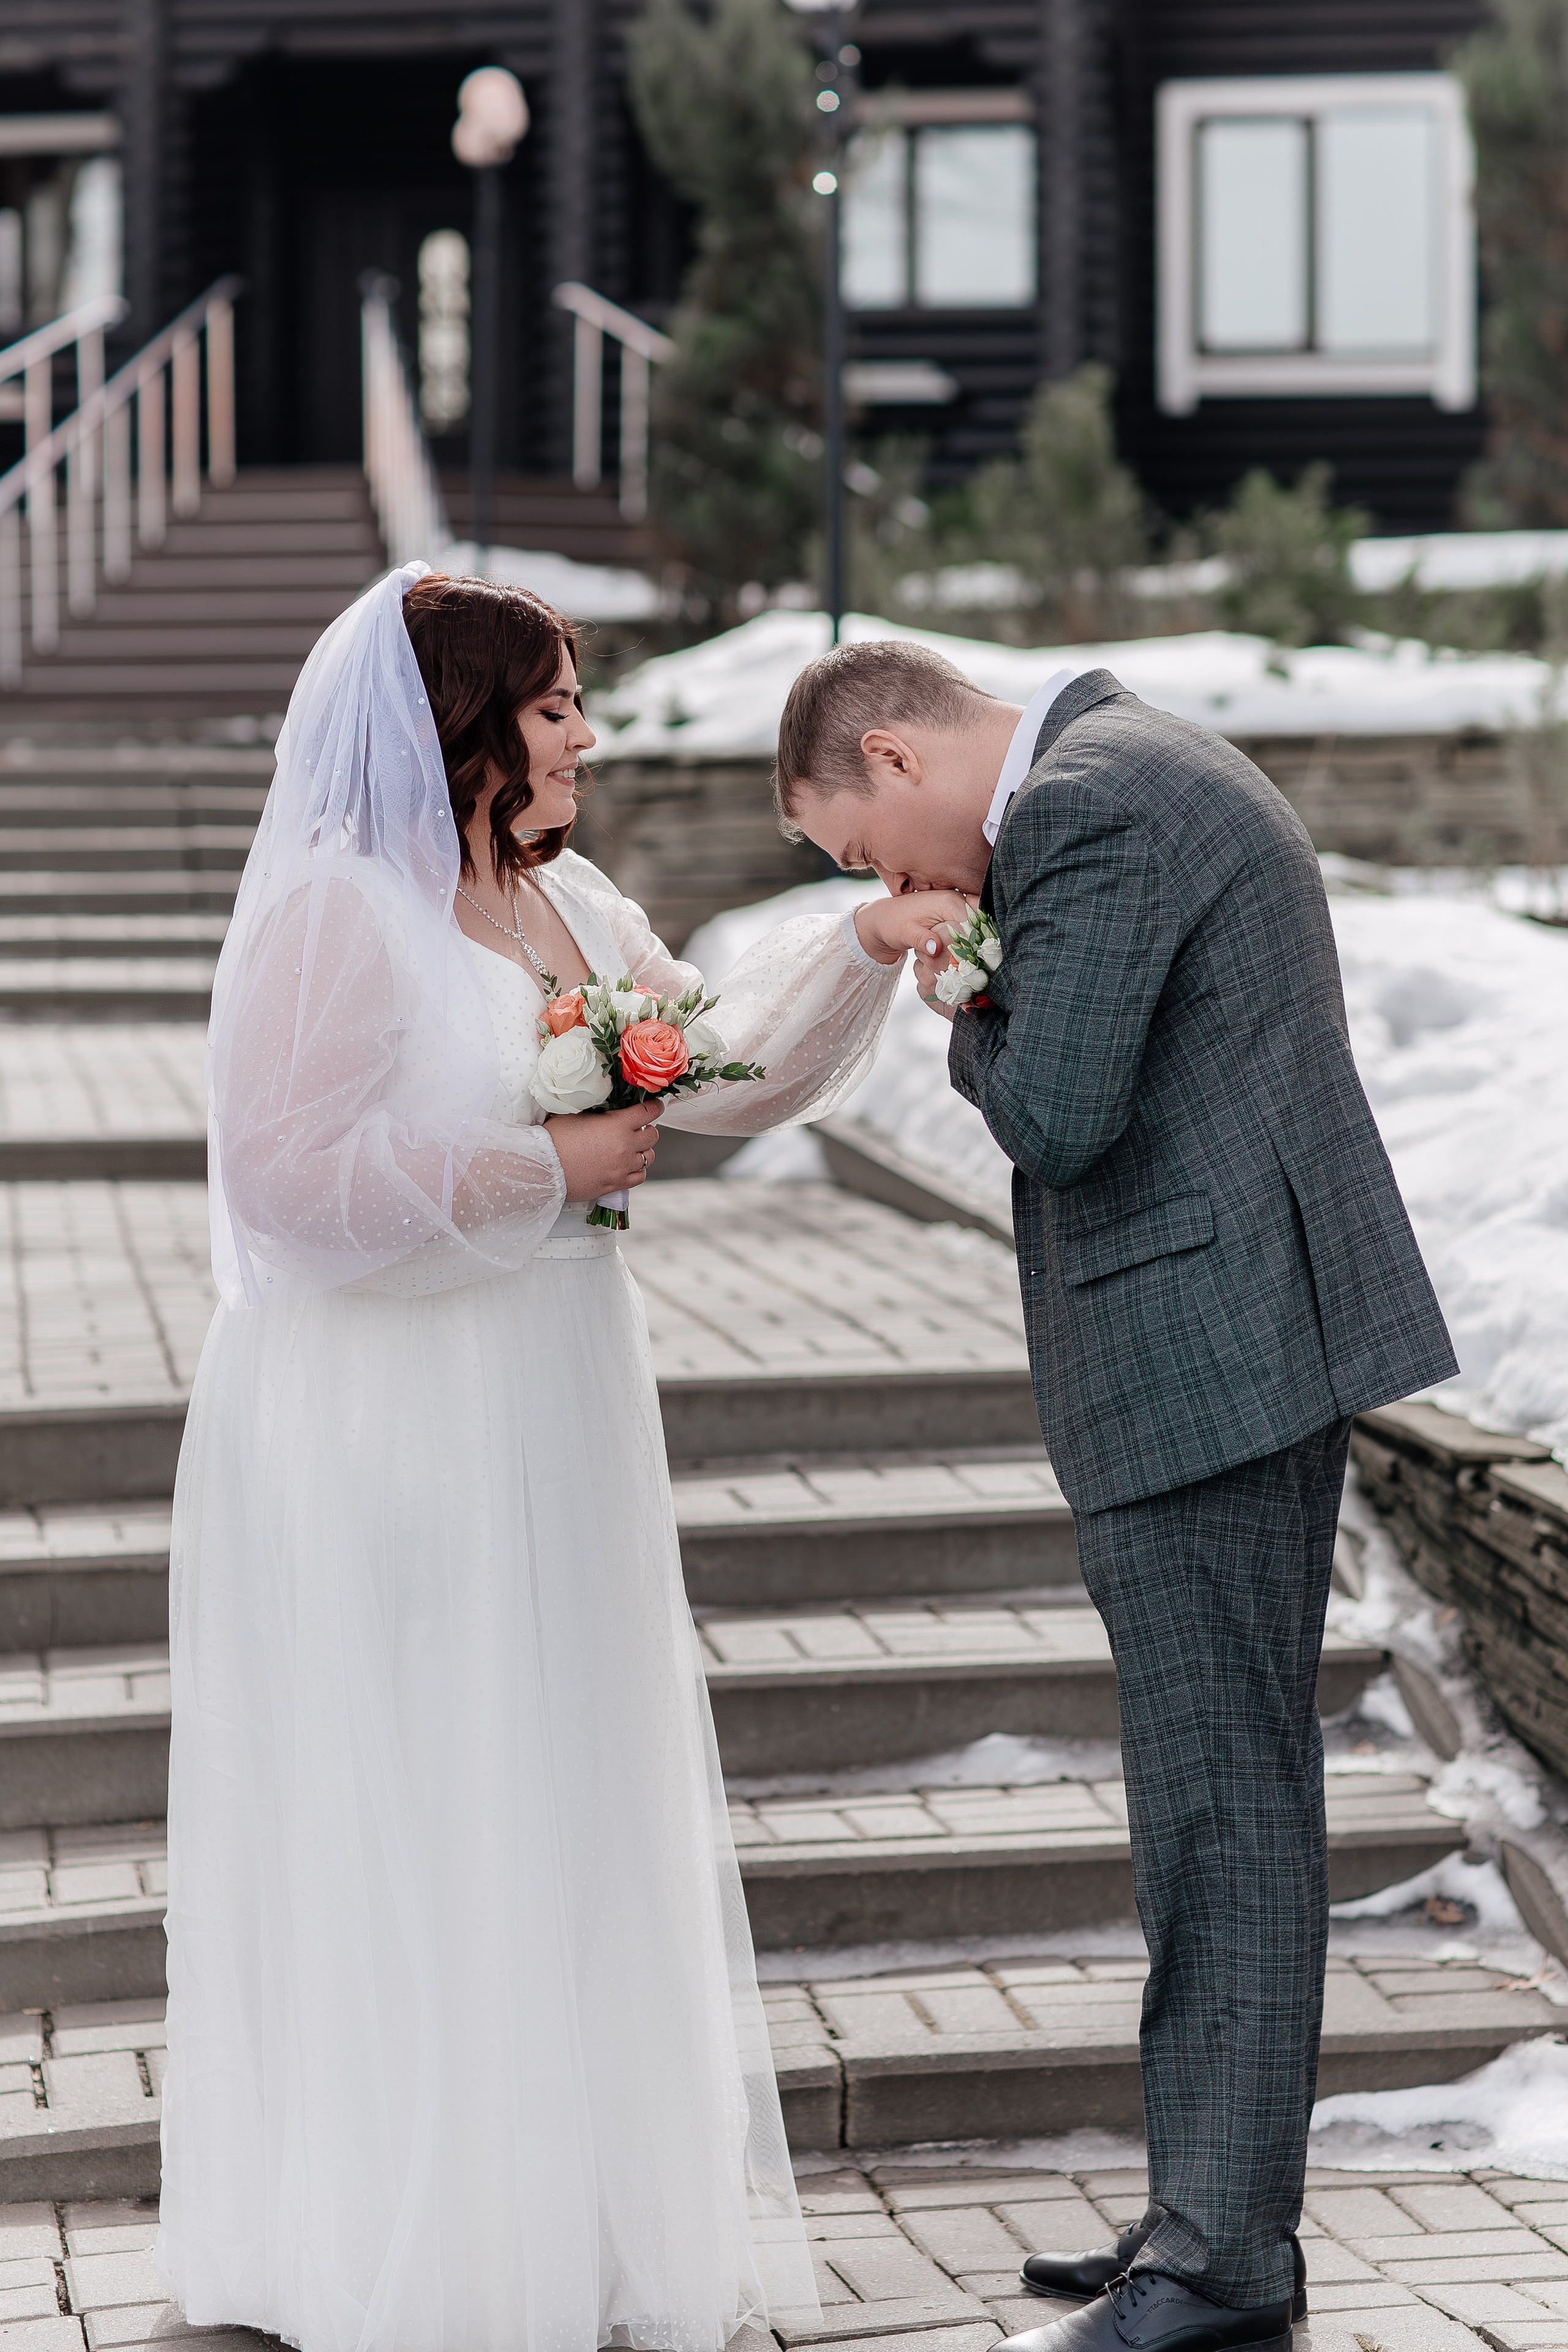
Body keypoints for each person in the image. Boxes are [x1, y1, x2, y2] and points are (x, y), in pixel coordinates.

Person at [156, 568, 964, 2352]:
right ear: (463, 732)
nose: (587, 733)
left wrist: (864, 943)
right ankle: (414, 2241)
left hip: (551, 1388)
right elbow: (288, 1186)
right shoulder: (336, 918)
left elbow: (721, 1072)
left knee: (557, 1775)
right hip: (390, 1418)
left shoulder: (572, 902)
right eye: (555, 707)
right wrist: (552, 1173)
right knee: (436, 1786)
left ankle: (562, 2218)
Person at [774, 641, 1457, 2352]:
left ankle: (1225, 2257)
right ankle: (1207, 2214)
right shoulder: (1126, 769)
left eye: (866, 850)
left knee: (1221, 1810)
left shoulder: (1089, 808)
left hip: (1207, 1363)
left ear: (894, 755)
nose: (895, 884)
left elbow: (1064, 1113)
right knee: (1209, 1803)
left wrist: (963, 1018)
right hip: (1220, 1346)